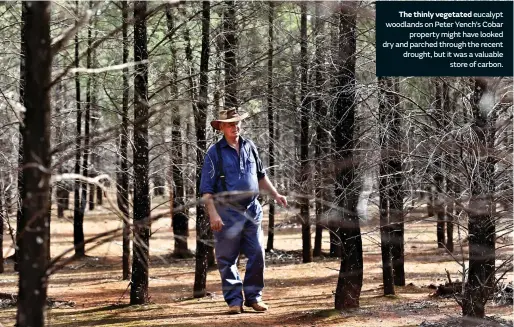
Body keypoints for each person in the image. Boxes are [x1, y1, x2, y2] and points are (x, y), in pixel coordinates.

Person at [200, 108, 287, 314]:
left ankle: (254, 297)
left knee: (257, 253)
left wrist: (276, 195)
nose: (235, 127)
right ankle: (234, 301)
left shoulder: (249, 146)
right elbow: (206, 190)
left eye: (237, 123)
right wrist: (213, 214)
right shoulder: (214, 153)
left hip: (252, 210)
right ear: (221, 127)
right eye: (230, 124)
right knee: (227, 259)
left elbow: (260, 175)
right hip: (226, 212)